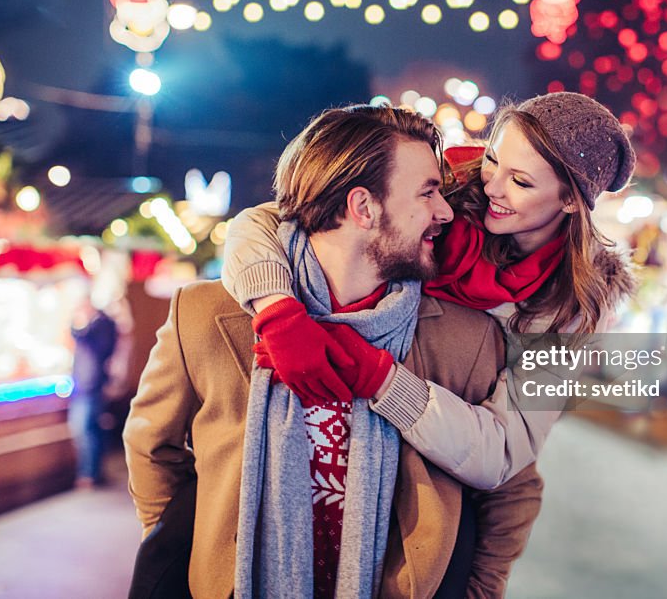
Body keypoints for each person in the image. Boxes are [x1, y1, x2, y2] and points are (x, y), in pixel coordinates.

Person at [123, 105, 542, 599]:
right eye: (428, 192)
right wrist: (198, 552)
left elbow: (510, 486)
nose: (444, 212)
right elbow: (152, 448)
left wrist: (479, 591)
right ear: (363, 207)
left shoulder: (464, 339)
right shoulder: (204, 315)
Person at [223, 92, 637, 490]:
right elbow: (271, 221)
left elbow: (507, 451)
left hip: (423, 466)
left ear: (569, 201)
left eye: (522, 182)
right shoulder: (448, 192)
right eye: (493, 159)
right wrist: (278, 313)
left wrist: (380, 377)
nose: (492, 187)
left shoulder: (571, 306)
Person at [69, 292, 118, 488]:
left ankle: (90, 473)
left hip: (92, 385)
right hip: (85, 384)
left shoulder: (102, 325)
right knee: (90, 429)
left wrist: (76, 325)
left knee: (85, 429)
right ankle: (92, 472)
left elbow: (93, 347)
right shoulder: (98, 325)